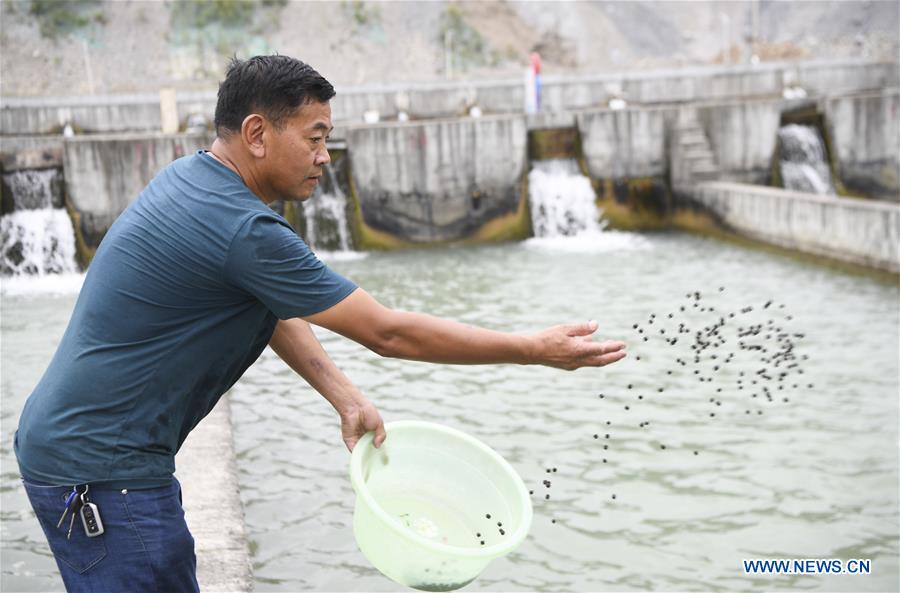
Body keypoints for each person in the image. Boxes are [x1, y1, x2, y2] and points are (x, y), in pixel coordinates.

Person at [14, 55, 626, 593]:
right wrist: (531, 349)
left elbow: (268, 304)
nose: (324, 158)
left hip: (80, 453)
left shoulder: (194, 179)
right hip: (102, 473)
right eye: (314, 137)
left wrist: (342, 393)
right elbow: (388, 333)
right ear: (257, 133)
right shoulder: (244, 228)